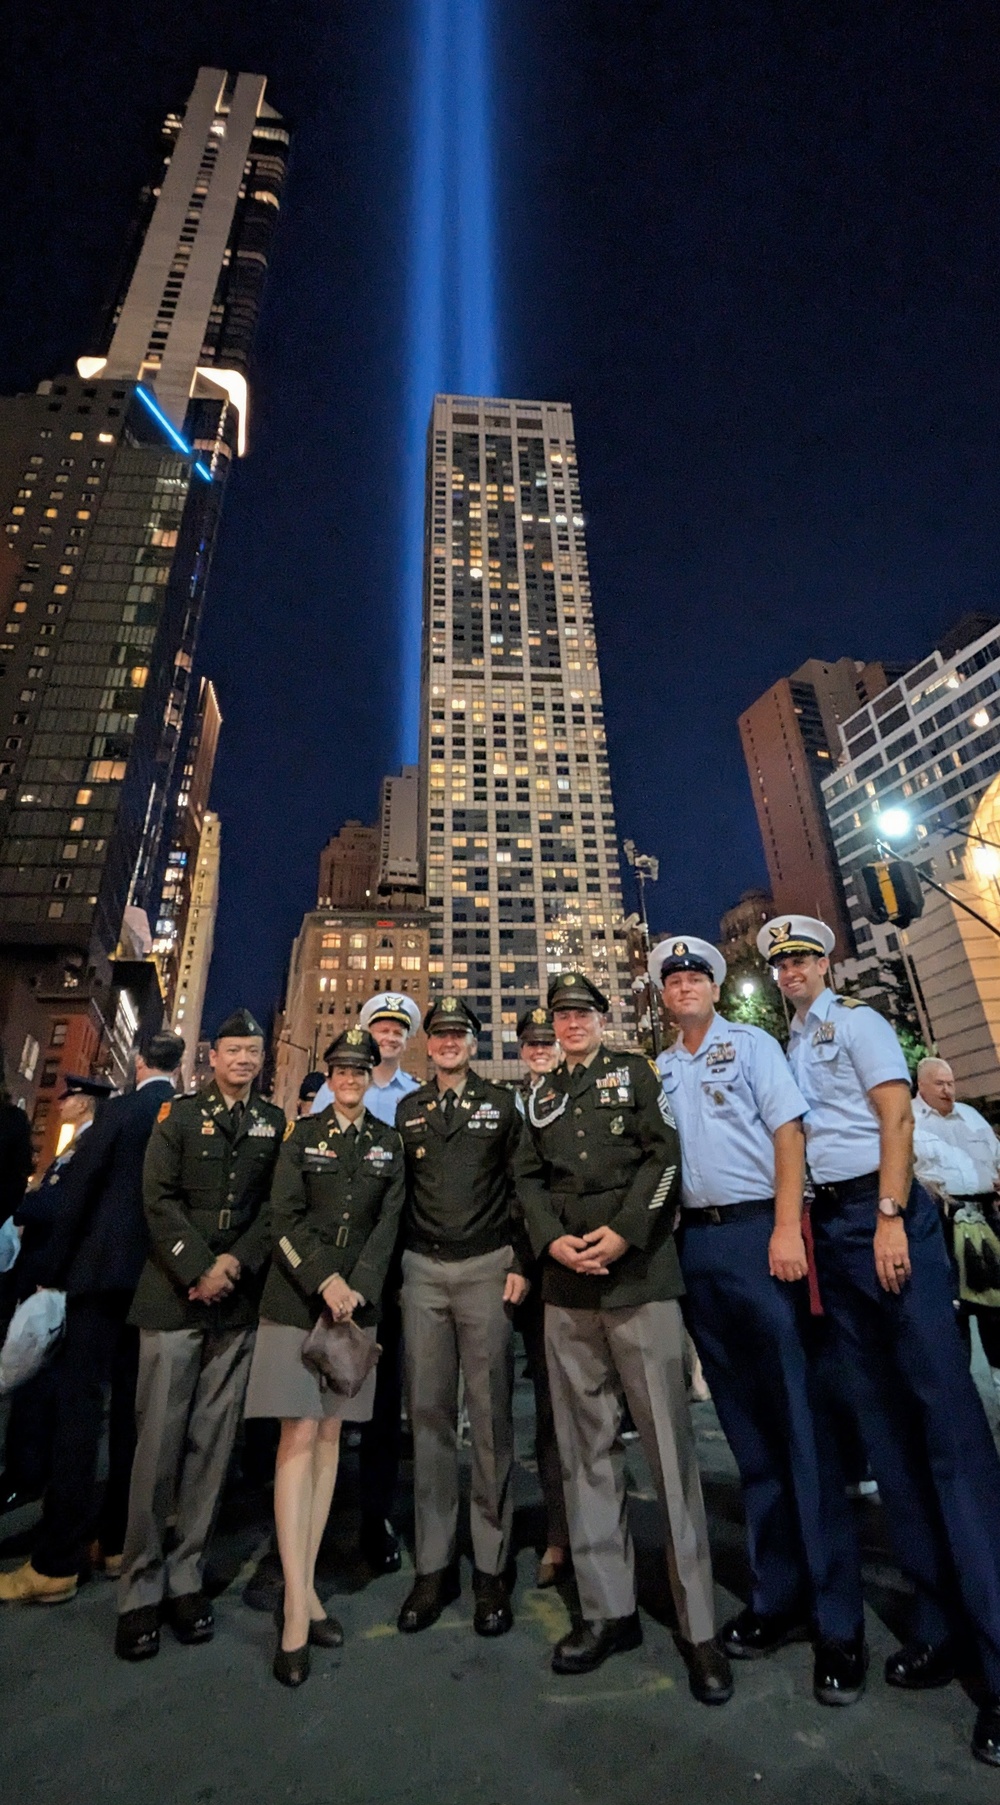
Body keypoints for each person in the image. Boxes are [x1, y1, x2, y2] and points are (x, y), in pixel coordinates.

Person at [758, 913, 1000, 1768]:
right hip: (833, 1230)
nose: (793, 969)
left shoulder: (855, 1022)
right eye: (781, 961)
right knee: (891, 1444)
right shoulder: (786, 1044)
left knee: (950, 1435)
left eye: (803, 957)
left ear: (827, 961)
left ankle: (999, 1661)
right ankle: (938, 1627)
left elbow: (895, 1120)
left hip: (883, 1218)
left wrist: (893, 1214)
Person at [652, 936, 866, 1705]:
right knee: (748, 1436)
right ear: (664, 993)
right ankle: (779, 1597)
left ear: (713, 985)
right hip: (697, 1245)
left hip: (756, 1235)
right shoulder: (662, 1068)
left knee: (802, 1429)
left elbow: (788, 1133)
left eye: (694, 975)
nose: (684, 985)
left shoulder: (753, 1046)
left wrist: (784, 1225)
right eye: (672, 978)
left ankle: (839, 1622)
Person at [514, 971, 732, 1704]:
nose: (571, 1023)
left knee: (671, 1453)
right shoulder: (541, 1094)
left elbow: (664, 1158)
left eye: (582, 1013)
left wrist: (626, 1231)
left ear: (601, 1020)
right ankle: (610, 1610)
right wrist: (552, 1243)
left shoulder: (634, 1073)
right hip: (569, 1288)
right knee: (585, 1454)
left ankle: (700, 1624)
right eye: (561, 1015)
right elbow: (528, 1180)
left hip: (637, 1277)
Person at [114, 1009, 285, 1662]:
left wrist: (234, 1263)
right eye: (233, 1048)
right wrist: (198, 1266)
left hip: (233, 1304)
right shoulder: (178, 1117)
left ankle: (186, 1577)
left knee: (212, 1450)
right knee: (156, 1447)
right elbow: (157, 1200)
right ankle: (139, 1588)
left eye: (253, 1049)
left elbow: (274, 1206)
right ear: (212, 1056)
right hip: (174, 1300)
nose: (243, 1058)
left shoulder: (272, 1123)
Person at [245, 1027, 405, 1686]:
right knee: (297, 1437)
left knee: (333, 1434)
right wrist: (324, 1280)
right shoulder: (302, 1137)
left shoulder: (388, 1145)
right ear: (329, 1075)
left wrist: (359, 1283)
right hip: (295, 1300)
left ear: (371, 1075)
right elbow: (282, 1218)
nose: (347, 1076)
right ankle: (294, 1606)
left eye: (358, 1068)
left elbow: (387, 1224)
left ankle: (306, 1589)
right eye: (338, 1067)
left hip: (355, 1309)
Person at [0, 1038, 182, 1606]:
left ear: (139, 1064)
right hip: (154, 1283)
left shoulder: (122, 1112)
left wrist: (50, 1271)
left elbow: (77, 1194)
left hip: (99, 1279)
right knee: (133, 1415)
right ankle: (116, 1543)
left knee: (77, 1415)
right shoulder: (185, 1115)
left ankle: (57, 1561)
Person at [395, 995, 526, 1638]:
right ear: (428, 1042)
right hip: (422, 1273)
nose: (448, 1041)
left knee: (493, 1418)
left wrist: (521, 1262)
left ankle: (492, 1566)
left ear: (474, 1043)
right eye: (439, 1032)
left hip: (485, 1268)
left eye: (459, 1033)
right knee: (428, 1418)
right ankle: (433, 1564)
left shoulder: (502, 1105)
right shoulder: (408, 1109)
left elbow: (521, 1187)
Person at [0, 1074, 112, 1515]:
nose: (61, 1102)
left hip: (55, 1276)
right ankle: (22, 1472)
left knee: (37, 1387)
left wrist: (24, 1205)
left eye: (69, 1097)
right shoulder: (74, 1147)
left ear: (84, 1104)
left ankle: (25, 1477)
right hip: (41, 1272)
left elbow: (62, 1206)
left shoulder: (87, 1149)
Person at [513, 1006, 571, 1589]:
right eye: (531, 1044)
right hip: (538, 1273)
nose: (539, 1050)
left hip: (590, 1263)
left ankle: (598, 1530)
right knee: (551, 1413)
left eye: (546, 1042)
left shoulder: (578, 1096)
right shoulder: (513, 1107)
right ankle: (558, 1536)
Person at [912, 1055, 1000, 1391]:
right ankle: (961, 1395)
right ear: (921, 1084)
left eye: (951, 1083)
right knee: (953, 1310)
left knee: (997, 1308)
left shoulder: (972, 1117)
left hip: (985, 1218)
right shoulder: (910, 1119)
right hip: (941, 1221)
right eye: (940, 1084)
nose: (948, 1090)